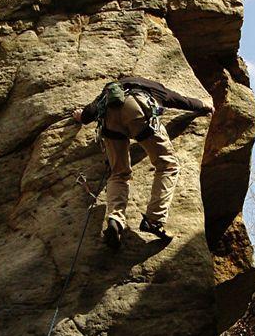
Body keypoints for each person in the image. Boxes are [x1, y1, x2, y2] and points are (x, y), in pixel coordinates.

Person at [73, 76, 214, 248]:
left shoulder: (108, 92)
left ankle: (115, 218)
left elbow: (90, 112)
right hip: (136, 110)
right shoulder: (150, 86)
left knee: (118, 173)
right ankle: (154, 220)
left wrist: (80, 117)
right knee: (167, 165)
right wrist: (203, 105)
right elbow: (179, 100)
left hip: (110, 120)